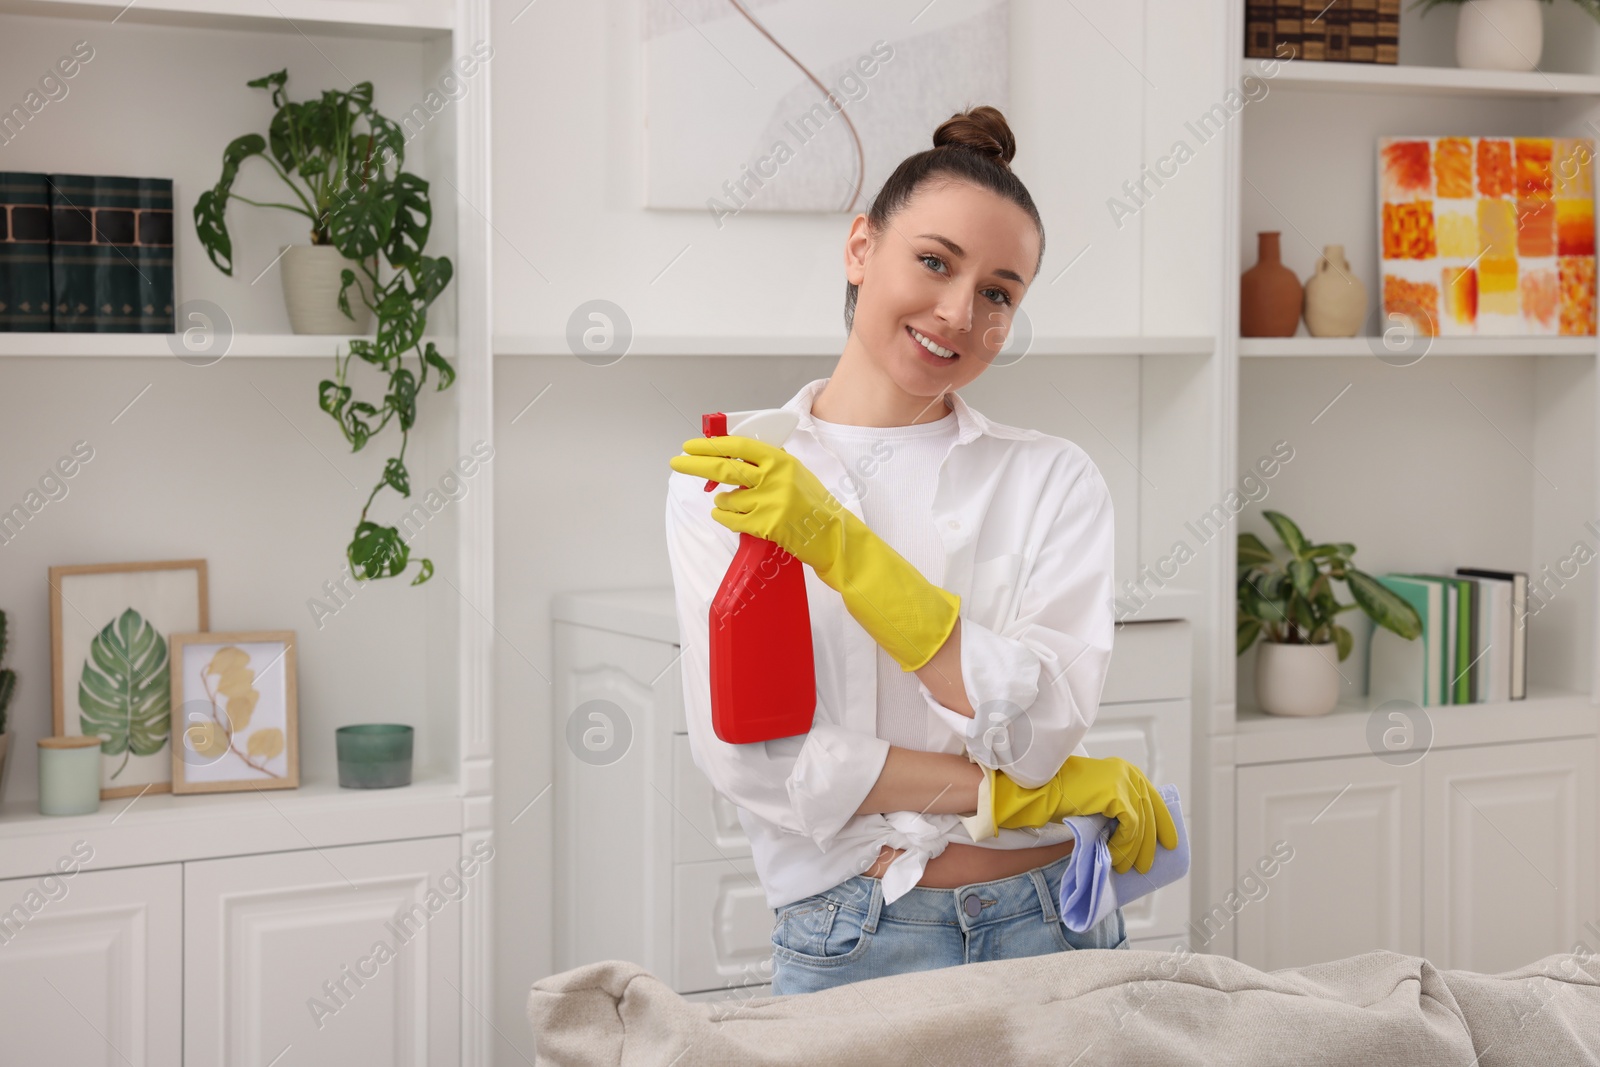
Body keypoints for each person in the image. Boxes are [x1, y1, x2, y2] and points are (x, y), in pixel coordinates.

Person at [664, 105, 1176, 997]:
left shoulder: (1052, 478)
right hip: (853, 939)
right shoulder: (733, 477)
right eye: (934, 261)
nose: (957, 311)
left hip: (1054, 922)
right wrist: (1010, 794)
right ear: (862, 248)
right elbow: (752, 755)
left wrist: (838, 547)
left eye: (999, 292)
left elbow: (1042, 728)